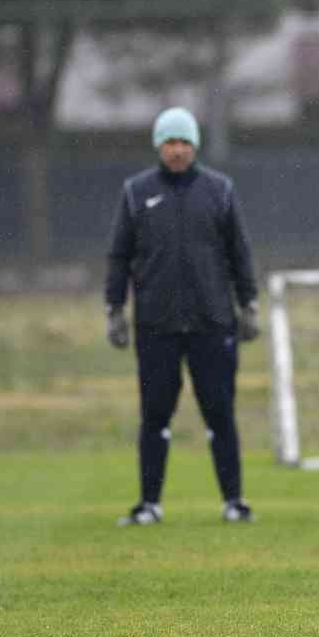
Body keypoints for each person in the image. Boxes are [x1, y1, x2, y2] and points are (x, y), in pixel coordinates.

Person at [104, 106, 260, 526]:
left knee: (220, 415)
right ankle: (149, 505)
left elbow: (240, 253)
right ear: (159, 146)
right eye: (170, 142)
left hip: (213, 323)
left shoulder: (219, 190)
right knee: (155, 417)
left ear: (195, 145)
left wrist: (248, 303)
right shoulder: (136, 192)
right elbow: (119, 256)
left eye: (184, 142)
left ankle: (234, 502)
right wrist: (114, 308)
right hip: (156, 326)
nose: (177, 150)